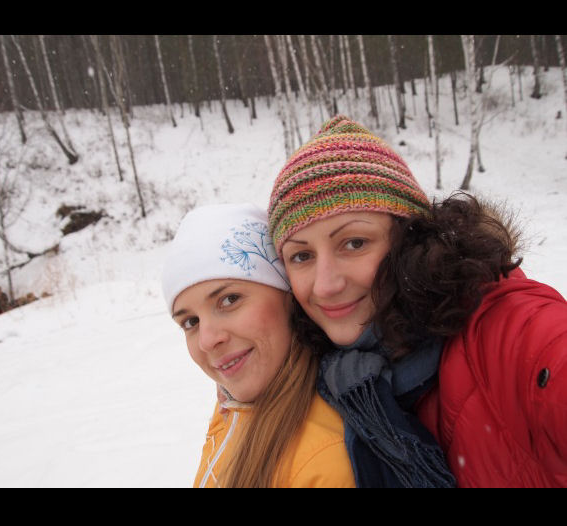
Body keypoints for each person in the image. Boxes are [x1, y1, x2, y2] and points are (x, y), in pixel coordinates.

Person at [267, 114, 567, 488]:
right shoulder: (326, 376)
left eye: (354, 243)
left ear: (410, 238)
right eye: (302, 256)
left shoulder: (507, 331)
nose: (325, 285)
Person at [161, 202, 355, 488]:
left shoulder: (323, 463)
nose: (207, 340)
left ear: (288, 297)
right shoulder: (234, 410)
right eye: (191, 322)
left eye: (229, 300)